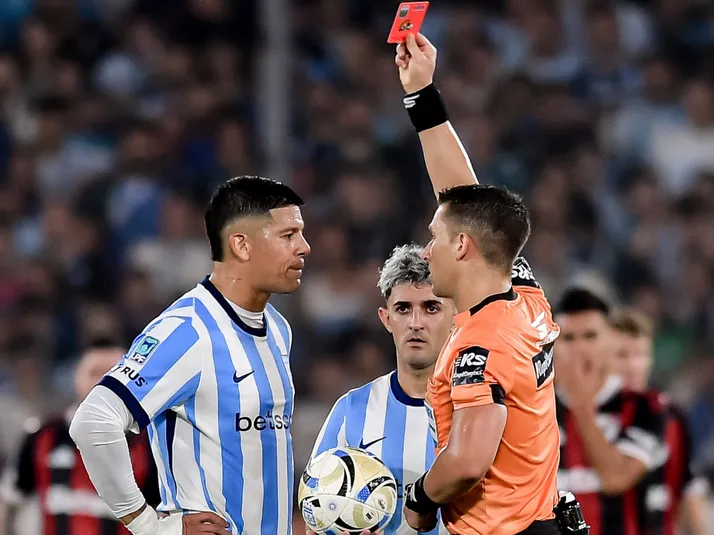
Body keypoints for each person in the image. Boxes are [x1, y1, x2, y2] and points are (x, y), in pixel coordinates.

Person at [69, 176, 311, 535]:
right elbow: (93, 422)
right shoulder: (187, 330)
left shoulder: (277, 328)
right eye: (288, 235)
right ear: (241, 245)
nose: (304, 247)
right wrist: (149, 525)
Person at [395, 34, 563, 535]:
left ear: (463, 246)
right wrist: (420, 94)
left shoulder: (479, 348)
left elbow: (468, 460)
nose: (427, 251)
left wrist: (419, 499)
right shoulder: (526, 296)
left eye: (435, 239)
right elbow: (465, 201)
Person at [310, 244, 454, 535]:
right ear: (386, 319)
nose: (416, 323)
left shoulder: (478, 409)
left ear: (456, 317)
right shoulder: (351, 410)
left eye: (431, 308)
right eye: (403, 309)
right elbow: (315, 517)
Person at [0, 339, 159, 535]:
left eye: (112, 374)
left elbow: (165, 515)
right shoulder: (41, 435)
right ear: (77, 377)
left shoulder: (151, 446)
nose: (102, 383)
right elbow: (9, 501)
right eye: (94, 373)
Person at [554, 289, 669, 535]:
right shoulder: (534, 407)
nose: (580, 349)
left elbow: (615, 478)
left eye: (590, 336)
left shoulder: (645, 407)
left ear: (610, 341)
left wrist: (581, 405)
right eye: (569, 338)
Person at [611, 308, 709, 535]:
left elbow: (690, 492)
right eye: (622, 355)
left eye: (640, 355)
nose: (632, 365)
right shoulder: (590, 419)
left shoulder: (672, 418)